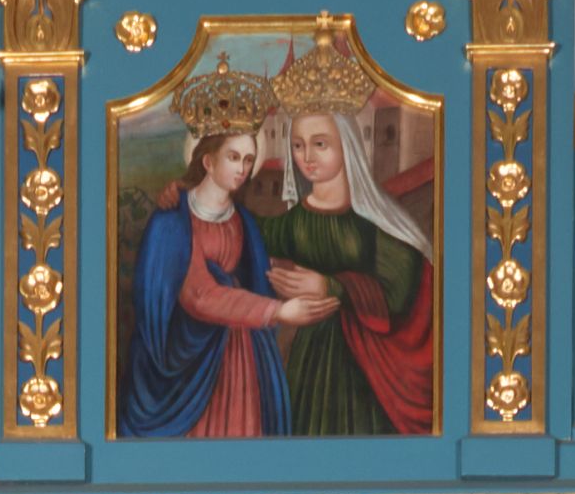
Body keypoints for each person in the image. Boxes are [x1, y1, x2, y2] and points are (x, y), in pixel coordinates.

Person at [119, 118, 330, 437]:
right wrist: (278, 311)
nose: (243, 169)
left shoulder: (242, 220)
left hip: (240, 353)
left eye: (248, 160)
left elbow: (255, 272)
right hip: (189, 360)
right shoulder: (172, 223)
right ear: (208, 161)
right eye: (233, 157)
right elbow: (199, 295)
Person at [259, 93, 436, 434]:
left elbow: (403, 285)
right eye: (298, 146)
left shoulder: (372, 221)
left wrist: (331, 286)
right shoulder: (295, 222)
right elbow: (249, 234)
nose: (307, 157)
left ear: (347, 145)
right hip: (309, 358)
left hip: (367, 366)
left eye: (320, 144)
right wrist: (187, 193)